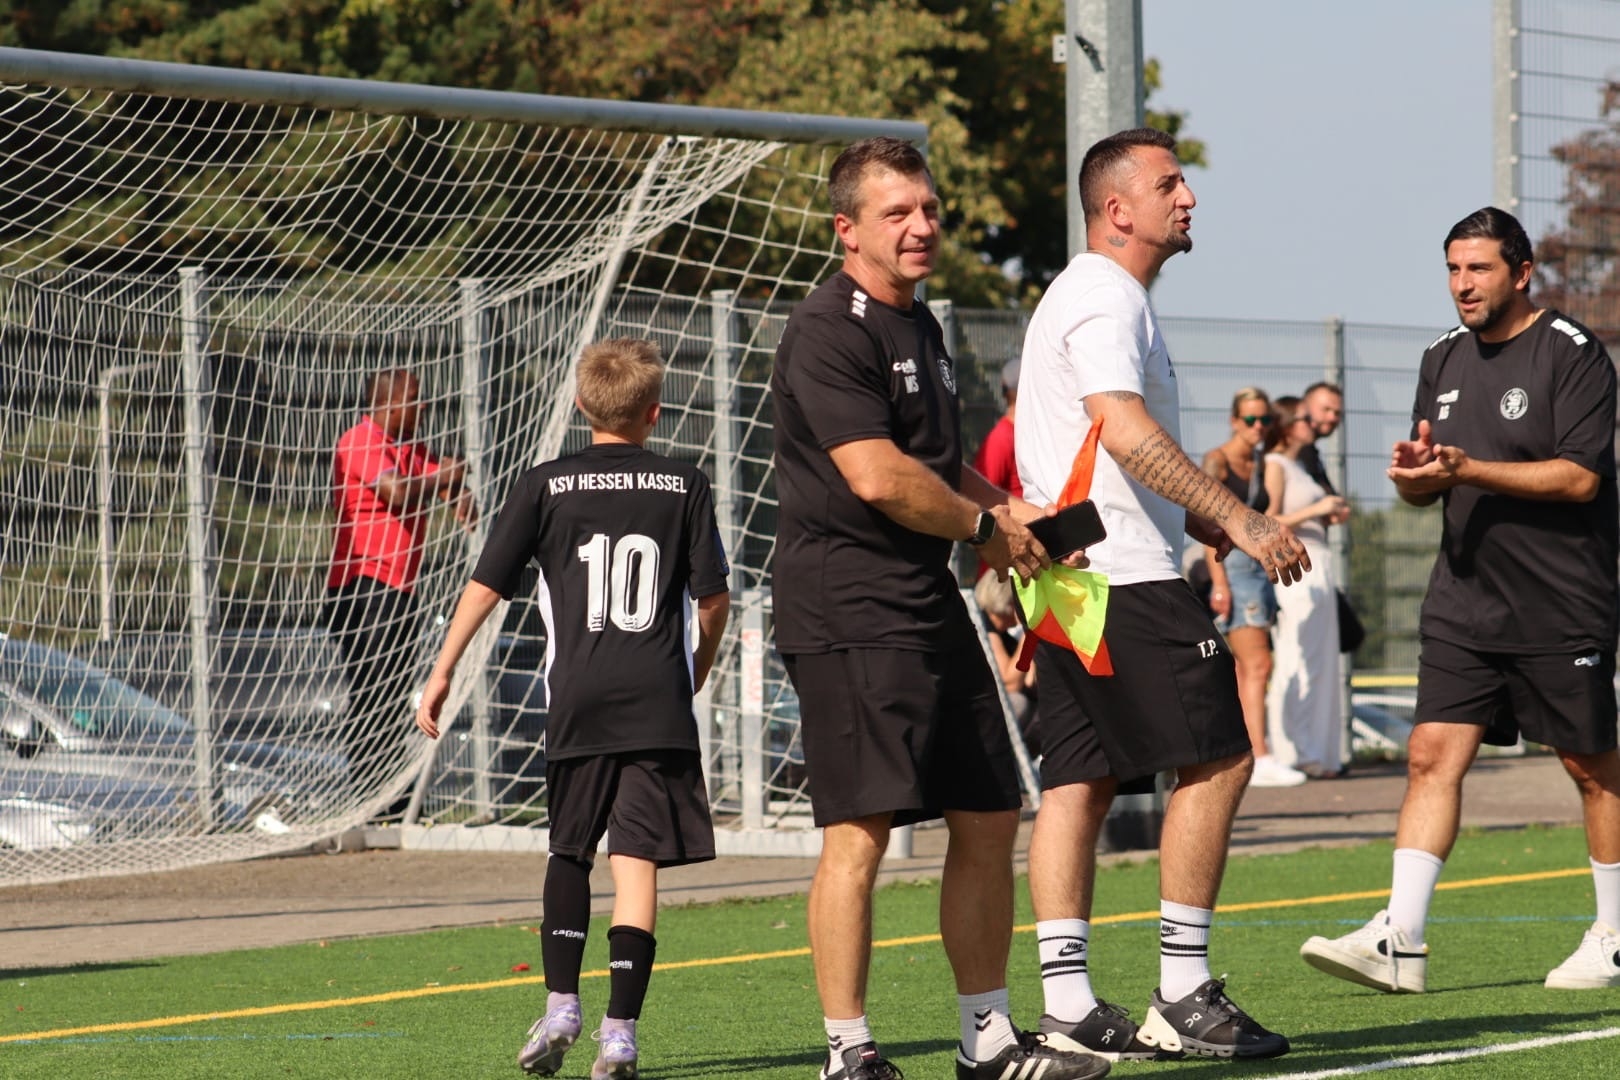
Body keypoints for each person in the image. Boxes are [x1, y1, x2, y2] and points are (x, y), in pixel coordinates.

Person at [771, 136, 1104, 1080]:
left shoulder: (920, 323)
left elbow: (934, 465)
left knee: (990, 812)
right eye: (898, 213)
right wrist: (988, 531)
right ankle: (848, 1053)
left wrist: (1022, 518)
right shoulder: (827, 329)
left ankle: (987, 1042)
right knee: (861, 833)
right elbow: (877, 476)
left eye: (929, 209)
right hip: (846, 608)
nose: (922, 226)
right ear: (848, 229)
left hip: (924, 601)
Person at [1016, 127, 1309, 1062]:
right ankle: (1182, 992)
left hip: (1069, 585)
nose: (1189, 199)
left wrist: (1201, 524)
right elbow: (1122, 427)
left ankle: (1067, 1003)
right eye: (1170, 185)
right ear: (1118, 210)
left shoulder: (1089, 293)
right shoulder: (1106, 294)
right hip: (1123, 579)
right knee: (1219, 759)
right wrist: (1241, 517)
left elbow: (1105, 450)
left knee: (1077, 781)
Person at [1299, 206, 1620, 994]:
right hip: (1463, 602)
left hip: (1561, 602)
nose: (1462, 285)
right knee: (1429, 755)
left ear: (1522, 272)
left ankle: (1613, 934)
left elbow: (1580, 477)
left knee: (1589, 767)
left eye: (1478, 268)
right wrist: (1417, 477)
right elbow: (1429, 486)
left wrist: (1467, 468)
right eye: (1452, 269)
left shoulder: (1572, 353)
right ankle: (1401, 938)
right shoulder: (1441, 356)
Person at [414, 338, 732, 1077]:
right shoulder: (685, 484)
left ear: (580, 405)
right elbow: (713, 599)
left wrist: (442, 669)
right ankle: (619, 1033)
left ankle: (562, 1004)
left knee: (569, 850)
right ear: (654, 413)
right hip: (656, 701)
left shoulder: (545, 483)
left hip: (579, 699)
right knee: (637, 863)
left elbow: (486, 586)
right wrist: (697, 668)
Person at [325, 368, 474, 807]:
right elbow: (398, 492)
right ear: (389, 405)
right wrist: (445, 478)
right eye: (414, 397)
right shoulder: (359, 441)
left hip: (398, 590)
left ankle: (391, 795)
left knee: (393, 695)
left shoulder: (410, 448)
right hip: (362, 588)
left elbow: (452, 487)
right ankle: (371, 798)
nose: (423, 404)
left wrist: (457, 489)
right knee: (372, 693)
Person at [1199, 388, 1303, 788]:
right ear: (1233, 421)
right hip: (1232, 566)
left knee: (1248, 668)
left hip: (1259, 568)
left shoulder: (1262, 462)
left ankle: (1250, 752)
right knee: (1258, 665)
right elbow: (1208, 525)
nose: (1258, 427)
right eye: (1250, 419)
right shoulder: (1217, 460)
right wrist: (1219, 584)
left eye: (1264, 420)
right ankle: (1259, 755)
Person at [1262, 396, 1351, 778]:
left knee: (1320, 662)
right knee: (1296, 658)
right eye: (1301, 419)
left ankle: (1317, 751)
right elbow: (1268, 519)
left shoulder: (1303, 464)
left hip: (1320, 563)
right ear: (1285, 426)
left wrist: (1329, 515)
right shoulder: (1275, 464)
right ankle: (1292, 751)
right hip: (1297, 564)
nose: (1310, 424)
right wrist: (1317, 510)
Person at [974, 568, 1039, 757]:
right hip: (981, 712)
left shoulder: (1004, 636)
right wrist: (1031, 632)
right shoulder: (982, 624)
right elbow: (1010, 683)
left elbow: (1028, 683)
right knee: (1019, 703)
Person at [973, 359, 1024, 498]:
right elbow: (981, 495)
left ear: (1004, 389)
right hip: (1021, 512)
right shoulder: (1002, 438)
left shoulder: (1035, 434)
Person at [1295, 382, 1345, 496]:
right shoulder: (1293, 452)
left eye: (1337, 413)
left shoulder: (1311, 453)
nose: (1332, 418)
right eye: (1326, 409)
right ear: (1305, 408)